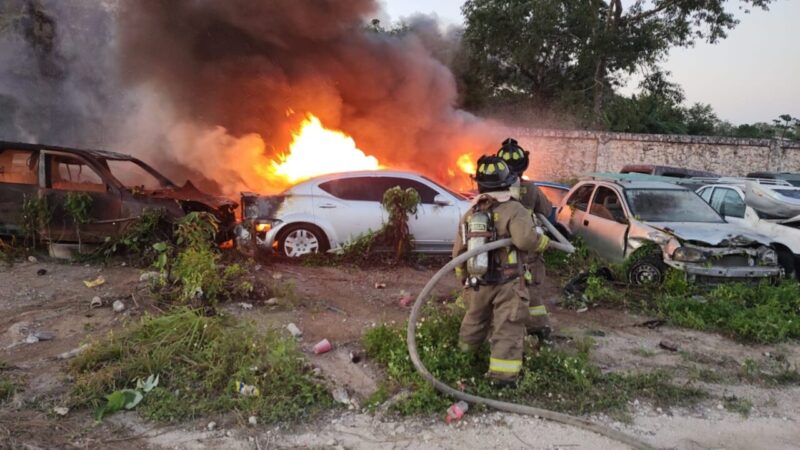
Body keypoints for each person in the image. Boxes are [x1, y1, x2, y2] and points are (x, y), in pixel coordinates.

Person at [453, 155, 550, 385]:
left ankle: (462, 361)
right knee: (507, 326)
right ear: (507, 182)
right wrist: (543, 242)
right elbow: (525, 240)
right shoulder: (513, 209)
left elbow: (459, 252)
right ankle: (503, 378)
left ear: (480, 184)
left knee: (474, 321)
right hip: (508, 283)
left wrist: (464, 280)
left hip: (479, 281)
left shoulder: (471, 213)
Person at [497, 138, 552, 341]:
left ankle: (505, 328)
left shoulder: (494, 190)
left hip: (501, 251)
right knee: (532, 291)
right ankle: (539, 331)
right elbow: (546, 209)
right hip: (528, 249)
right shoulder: (531, 189)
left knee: (501, 289)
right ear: (524, 165)